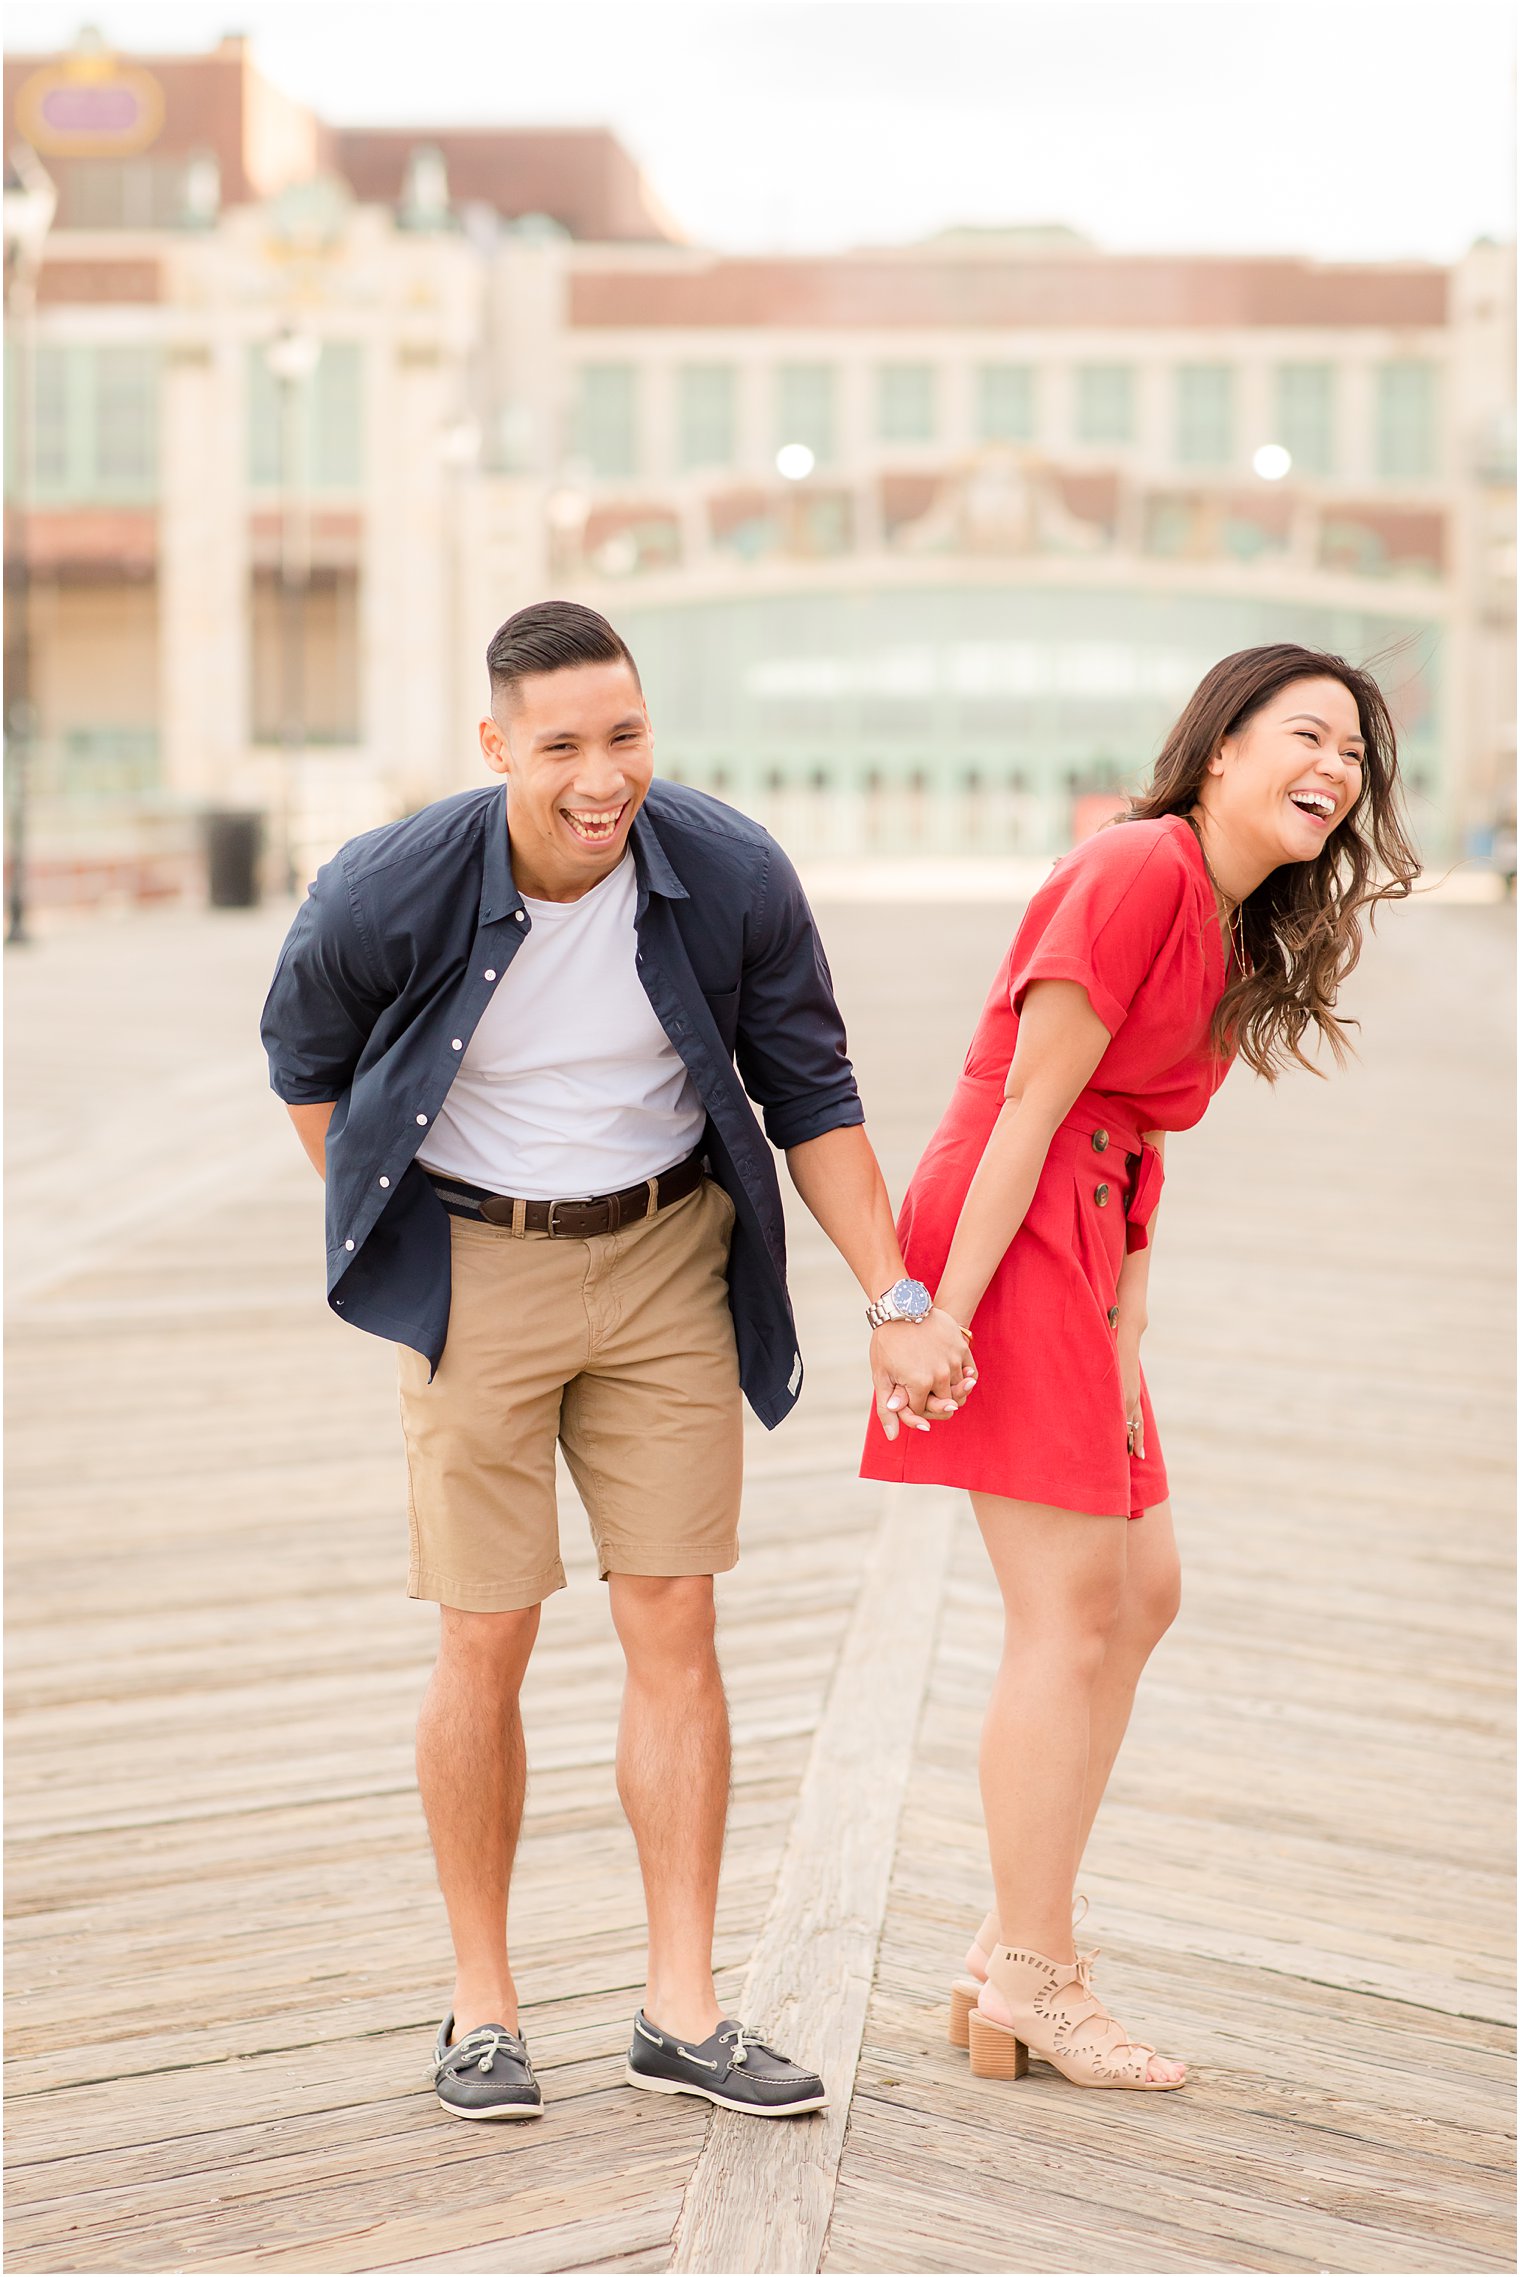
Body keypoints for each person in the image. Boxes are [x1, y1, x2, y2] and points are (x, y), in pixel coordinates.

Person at [261, 600, 971, 2123]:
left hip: (666, 1260)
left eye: (627, 735)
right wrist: (396, 1221)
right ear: (497, 744)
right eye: (564, 744)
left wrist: (898, 1290)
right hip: (478, 1268)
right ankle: (483, 2006)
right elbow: (306, 1060)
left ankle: (683, 2005)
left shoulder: (729, 870)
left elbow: (815, 1097)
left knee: (674, 1617)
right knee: (487, 1634)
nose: (602, 778)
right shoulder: (388, 885)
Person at [862, 644, 1419, 2091]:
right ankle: (1039, 1972)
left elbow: (1142, 1127)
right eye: (1309, 736)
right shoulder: (1137, 868)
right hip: (1012, 1217)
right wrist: (932, 1314)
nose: (1337, 770)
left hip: (1085, 1241)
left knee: (1143, 1589)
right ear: (1221, 747)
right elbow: (1030, 1103)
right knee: (1068, 1609)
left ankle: (1005, 1947)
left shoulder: (1228, 911)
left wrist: (1123, 1331)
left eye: (1354, 755)